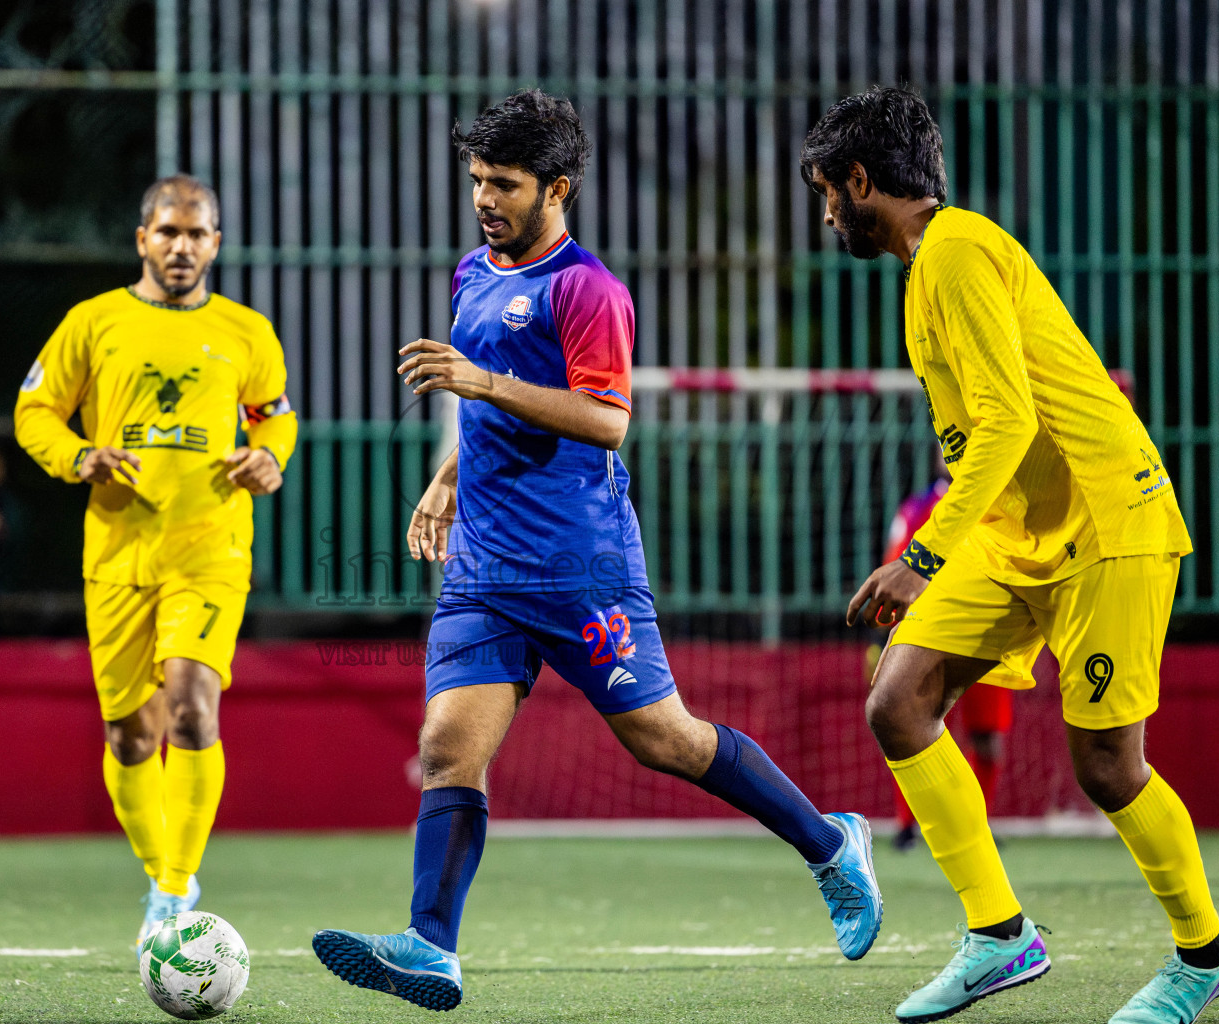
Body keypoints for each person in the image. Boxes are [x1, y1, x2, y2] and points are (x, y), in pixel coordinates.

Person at [311, 89, 882, 1012]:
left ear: (558, 188)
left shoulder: (589, 291)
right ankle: (429, 946)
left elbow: (609, 422)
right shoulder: (472, 273)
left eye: (503, 184)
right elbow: (491, 406)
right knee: (449, 747)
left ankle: (829, 843)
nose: (484, 200)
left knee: (666, 740)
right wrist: (449, 477)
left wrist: (483, 382)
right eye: (475, 181)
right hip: (486, 572)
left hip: (582, 566)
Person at [803, 86, 1219, 1023]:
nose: (828, 213)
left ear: (864, 180)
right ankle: (1000, 938)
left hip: (1106, 521)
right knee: (899, 702)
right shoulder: (931, 268)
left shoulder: (954, 253)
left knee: (1108, 766)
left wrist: (918, 560)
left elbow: (1009, 421)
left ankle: (1206, 955)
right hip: (1016, 534)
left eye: (829, 192)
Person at [14, 175, 296, 953]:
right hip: (118, 554)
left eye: (197, 234)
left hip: (210, 549)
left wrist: (270, 456)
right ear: (142, 239)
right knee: (130, 738)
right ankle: (161, 871)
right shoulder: (93, 322)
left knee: (193, 709)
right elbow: (34, 410)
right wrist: (79, 455)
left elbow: (275, 415)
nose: (182, 247)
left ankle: (173, 894)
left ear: (215, 243)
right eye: (168, 232)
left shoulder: (246, 331)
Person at [872, 467, 1014, 854]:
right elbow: (894, 563)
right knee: (913, 727)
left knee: (989, 740)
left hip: (991, 631)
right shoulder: (918, 507)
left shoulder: (1006, 500)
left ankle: (975, 825)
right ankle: (908, 827)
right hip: (930, 633)